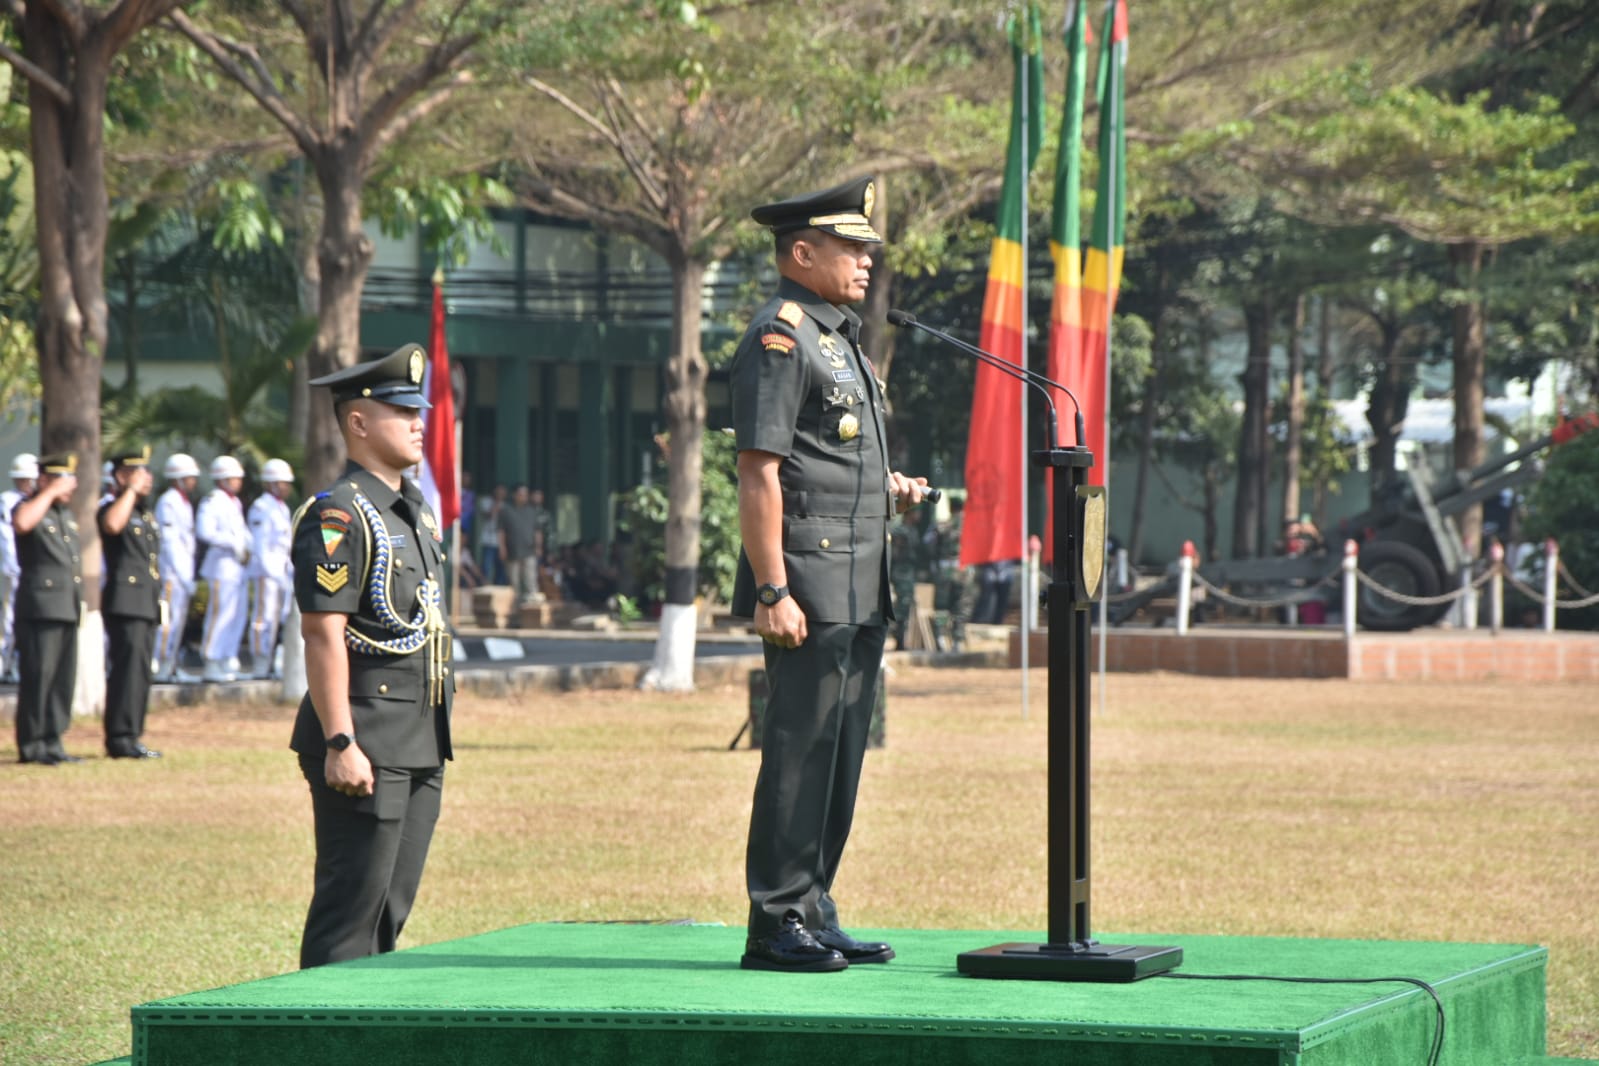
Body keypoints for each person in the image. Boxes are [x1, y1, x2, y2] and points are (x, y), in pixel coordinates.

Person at [729, 176, 929, 973]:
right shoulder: (779, 338)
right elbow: (758, 472)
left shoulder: (839, 338)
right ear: (801, 252)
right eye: (850, 248)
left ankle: (812, 904)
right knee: (799, 751)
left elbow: (826, 462)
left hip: (859, 579)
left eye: (867, 249)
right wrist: (771, 588)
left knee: (841, 752)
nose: (865, 262)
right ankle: (773, 921)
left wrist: (891, 487)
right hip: (808, 586)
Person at [290, 342, 454, 969]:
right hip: (364, 738)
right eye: (400, 410)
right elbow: (323, 632)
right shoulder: (339, 514)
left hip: (419, 739)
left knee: (387, 915)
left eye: (420, 409)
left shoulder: (413, 511)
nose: (419, 422)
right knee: (348, 916)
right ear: (358, 422)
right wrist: (339, 741)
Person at [12, 452, 82, 765]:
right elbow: (23, 522)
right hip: (40, 608)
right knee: (38, 677)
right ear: (43, 479)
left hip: (65, 606)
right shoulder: (30, 506)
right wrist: (49, 491)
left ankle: (53, 741)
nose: (69, 487)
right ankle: (33, 744)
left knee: (61, 680)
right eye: (62, 479)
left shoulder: (63, 515)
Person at [98, 446, 162, 759]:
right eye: (138, 473)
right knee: (125, 672)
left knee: (140, 673)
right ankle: (120, 738)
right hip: (125, 602)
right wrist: (130, 491)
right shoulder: (112, 505)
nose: (146, 479)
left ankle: (132, 735)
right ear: (121, 476)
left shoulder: (143, 513)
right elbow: (111, 525)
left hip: (145, 602)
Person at [197, 455, 251, 682]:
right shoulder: (212, 501)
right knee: (219, 614)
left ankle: (227, 657)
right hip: (221, 566)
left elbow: (242, 531)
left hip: (237, 568)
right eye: (234, 478)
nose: (238, 482)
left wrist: (248, 545)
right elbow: (205, 532)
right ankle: (210, 659)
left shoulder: (234, 502)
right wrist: (233, 543)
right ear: (222, 479)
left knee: (235, 615)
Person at [154, 453, 201, 682]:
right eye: (189, 477)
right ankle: (160, 665)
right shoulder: (168, 501)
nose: (193, 481)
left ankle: (170, 665)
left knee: (178, 622)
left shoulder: (183, 502)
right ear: (177, 478)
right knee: (167, 623)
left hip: (183, 573)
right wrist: (184, 577)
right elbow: (170, 544)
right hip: (173, 574)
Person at [247, 458, 296, 679]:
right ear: (270, 483)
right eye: (281, 482)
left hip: (281, 572)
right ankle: (260, 661)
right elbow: (260, 544)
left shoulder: (282, 507)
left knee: (278, 619)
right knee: (263, 618)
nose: (286, 487)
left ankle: (272, 662)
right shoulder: (262, 506)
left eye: (287, 483)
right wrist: (271, 573)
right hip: (266, 572)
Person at [0, 452, 39, 682]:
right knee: (9, 618)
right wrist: (15, 567)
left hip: (31, 573)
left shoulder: (37, 503)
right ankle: (6, 663)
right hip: (15, 571)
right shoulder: (7, 501)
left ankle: (17, 663)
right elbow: (7, 540)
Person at [932, 495, 975, 651]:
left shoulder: (942, 526)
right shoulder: (970, 525)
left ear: (950, 508)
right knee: (961, 605)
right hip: (962, 568)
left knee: (942, 606)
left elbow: (929, 545)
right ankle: (957, 639)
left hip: (944, 569)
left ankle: (940, 637)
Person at [499, 485, 538, 607]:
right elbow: (501, 531)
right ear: (515, 495)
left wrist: (538, 546)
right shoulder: (506, 511)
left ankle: (531, 608)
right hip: (512, 550)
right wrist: (502, 548)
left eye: (525, 494)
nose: (524, 497)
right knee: (514, 582)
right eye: (521, 494)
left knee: (530, 579)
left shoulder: (531, 511)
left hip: (529, 550)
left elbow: (537, 531)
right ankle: (515, 608)